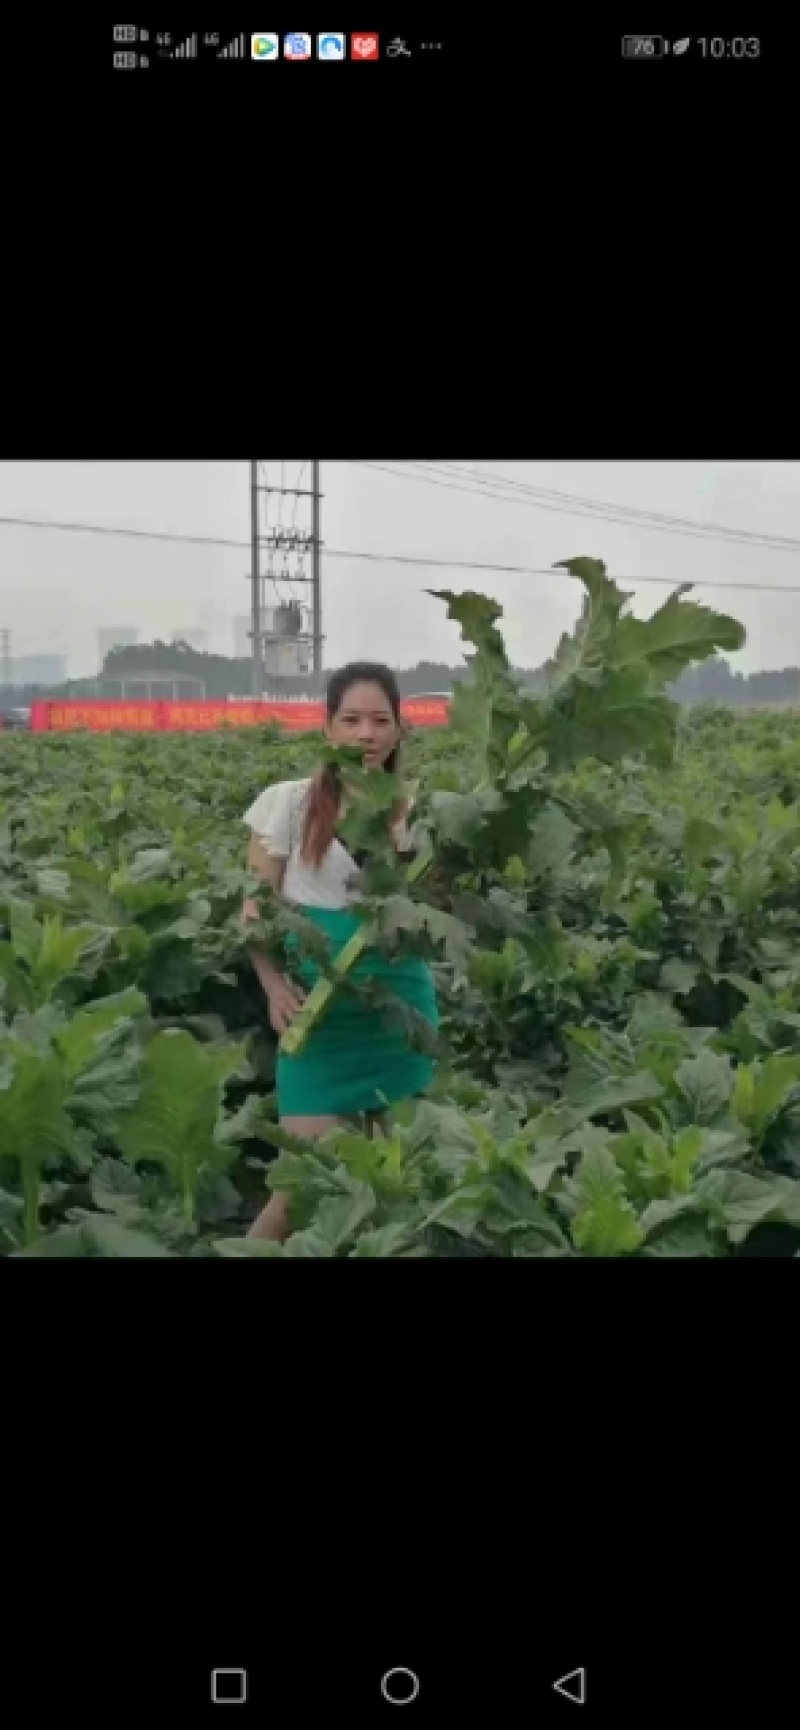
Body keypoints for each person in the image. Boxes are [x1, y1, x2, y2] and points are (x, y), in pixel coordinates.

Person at [241, 663, 439, 1242]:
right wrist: (274, 985)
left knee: (390, 1192)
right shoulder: (289, 805)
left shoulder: (419, 814)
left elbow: (430, 915)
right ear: (328, 728)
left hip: (398, 1015)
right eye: (351, 719)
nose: (366, 734)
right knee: (300, 1188)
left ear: (399, 731)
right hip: (318, 1016)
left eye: (380, 720)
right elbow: (255, 908)